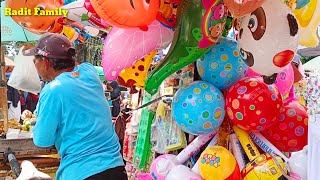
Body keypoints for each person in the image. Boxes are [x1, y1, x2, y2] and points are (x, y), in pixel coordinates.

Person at [23, 33, 127, 180]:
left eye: (35, 60)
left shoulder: (53, 90)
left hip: (82, 173)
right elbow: (76, 69)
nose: (35, 65)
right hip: (115, 168)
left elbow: (42, 140)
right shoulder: (89, 72)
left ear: (46, 62)